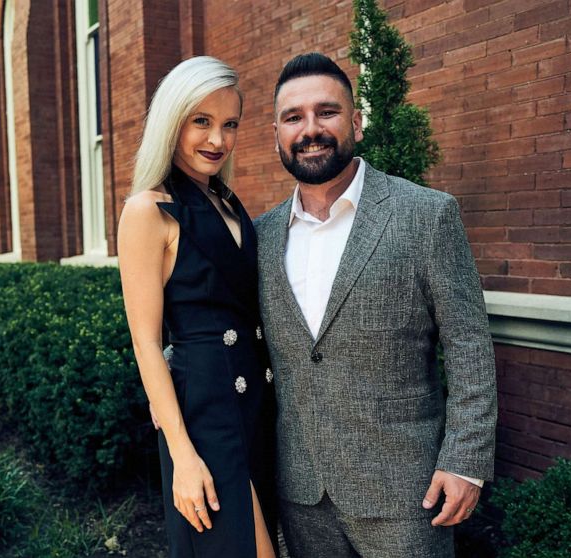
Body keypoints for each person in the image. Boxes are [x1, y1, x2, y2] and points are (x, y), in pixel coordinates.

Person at [254, 53, 497, 557]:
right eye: (293, 117)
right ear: (276, 132)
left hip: (406, 493)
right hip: (301, 491)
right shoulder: (259, 237)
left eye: (327, 112)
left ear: (356, 122)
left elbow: (469, 345)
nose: (310, 129)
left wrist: (465, 461)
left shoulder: (426, 216)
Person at [118, 56, 278, 558]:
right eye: (201, 122)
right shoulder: (149, 209)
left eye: (229, 124)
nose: (217, 140)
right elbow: (146, 343)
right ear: (174, 120)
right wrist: (182, 456)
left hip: (256, 406)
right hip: (206, 417)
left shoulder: (228, 203)